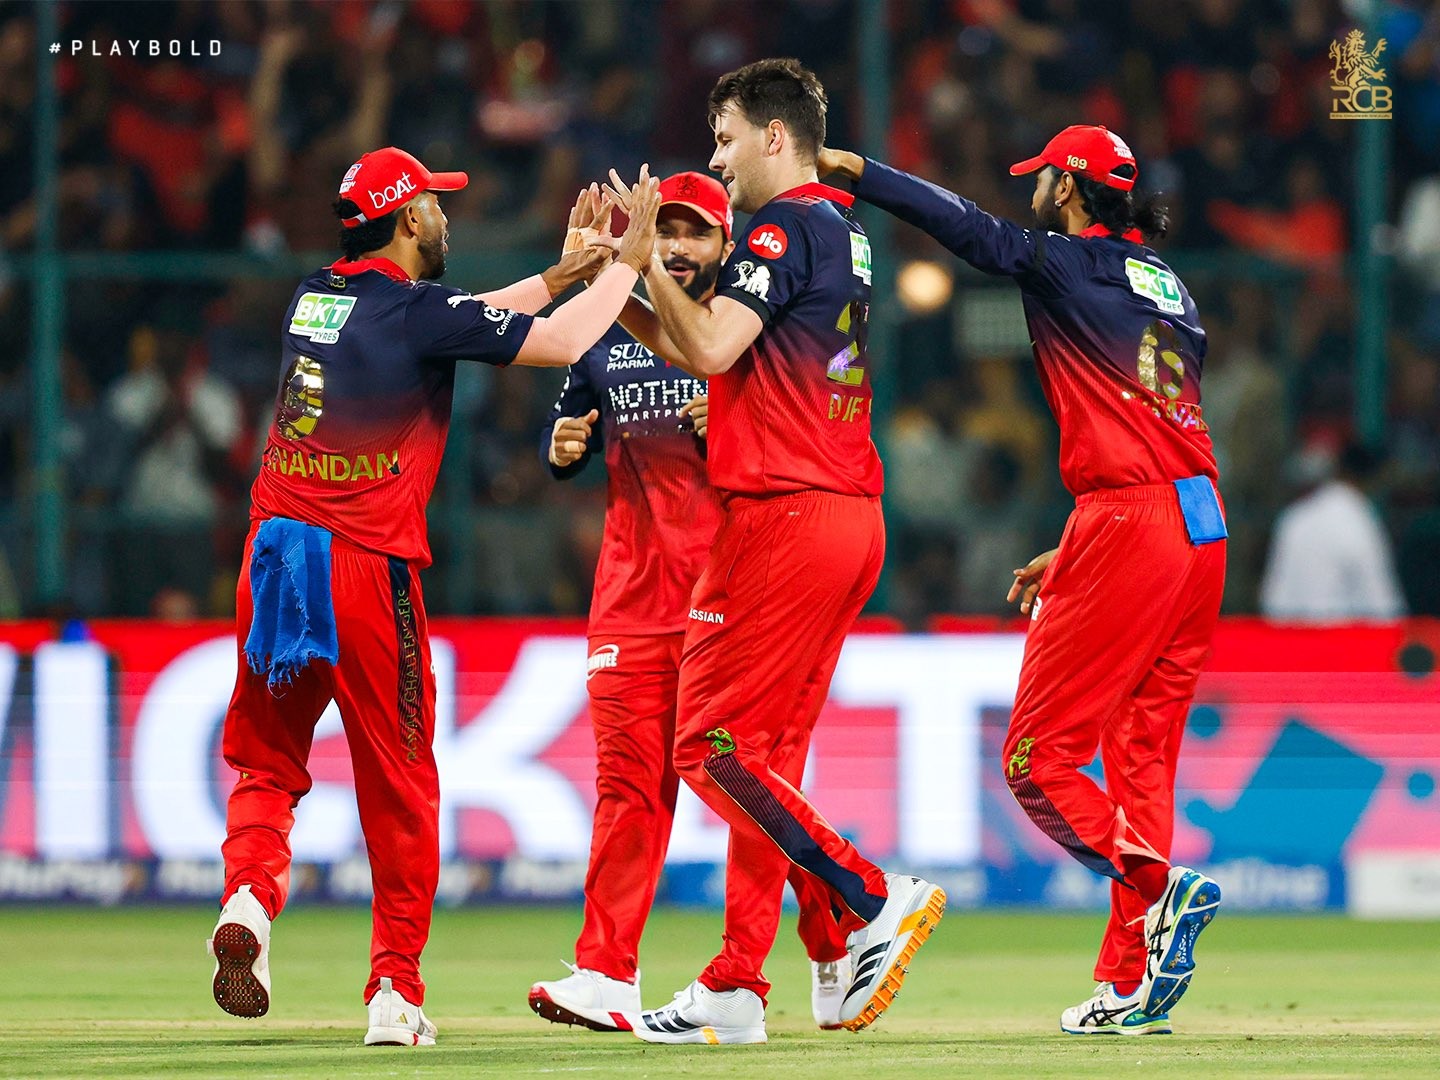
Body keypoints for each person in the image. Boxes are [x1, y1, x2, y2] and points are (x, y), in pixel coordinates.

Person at [207, 145, 661, 1046]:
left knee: (267, 765)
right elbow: (558, 343)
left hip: (275, 553)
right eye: (436, 203)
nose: (446, 215)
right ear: (410, 218)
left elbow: (458, 321)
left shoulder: (315, 296)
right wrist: (627, 266)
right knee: (401, 786)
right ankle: (394, 993)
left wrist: (562, 274)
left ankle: (249, 900)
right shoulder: (415, 311)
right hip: (364, 568)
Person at [818, 125, 1225, 1035]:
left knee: (1037, 761)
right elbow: (1150, 427)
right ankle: (1129, 983)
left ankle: (1160, 889)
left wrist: (859, 171)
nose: (1033, 191)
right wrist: (1082, 539)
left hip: (1132, 518)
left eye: (1042, 177)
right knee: (1142, 758)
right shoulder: (1168, 282)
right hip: (1198, 522)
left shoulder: (1069, 262)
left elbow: (969, 229)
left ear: (1068, 188)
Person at [603, 59, 946, 1046]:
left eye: (725, 139)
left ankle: (870, 896)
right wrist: (615, 285)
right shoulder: (842, 228)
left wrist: (641, 261)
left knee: (705, 746)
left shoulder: (780, 226)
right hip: (845, 512)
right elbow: (703, 345)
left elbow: (710, 349)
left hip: (782, 516)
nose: (717, 159)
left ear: (774, 136)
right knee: (764, 760)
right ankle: (739, 983)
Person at [527, 172, 853, 1035]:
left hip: (740, 593)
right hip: (632, 599)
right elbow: (570, 417)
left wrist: (736, 427)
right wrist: (561, 446)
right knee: (626, 786)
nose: (677, 247)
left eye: (696, 233)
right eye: (664, 231)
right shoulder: (608, 325)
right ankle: (606, 975)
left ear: (725, 245)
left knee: (749, 785)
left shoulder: (753, 328)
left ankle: (824, 937)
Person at [1259, 442, 1407, 620]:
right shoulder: (1358, 518)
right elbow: (1383, 604)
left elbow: (1273, 600)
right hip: (1342, 632)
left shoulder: (1292, 518)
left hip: (1291, 631)